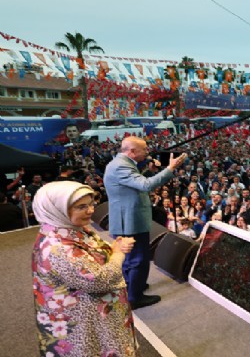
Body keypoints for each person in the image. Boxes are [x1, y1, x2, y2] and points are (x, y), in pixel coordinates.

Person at [32, 181, 137, 356]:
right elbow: (99, 280)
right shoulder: (57, 248)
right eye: (81, 207)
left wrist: (111, 248)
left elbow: (90, 254)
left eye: (91, 204)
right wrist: (119, 253)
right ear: (57, 208)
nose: (90, 211)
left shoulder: (69, 228)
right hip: (83, 325)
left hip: (93, 315)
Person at [103, 136, 187, 310]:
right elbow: (146, 186)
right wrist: (170, 169)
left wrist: (148, 170)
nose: (147, 152)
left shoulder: (120, 163)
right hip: (130, 221)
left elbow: (133, 184)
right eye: (144, 150)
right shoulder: (120, 166)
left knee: (129, 258)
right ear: (132, 151)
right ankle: (135, 297)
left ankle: (132, 285)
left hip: (128, 218)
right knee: (138, 259)